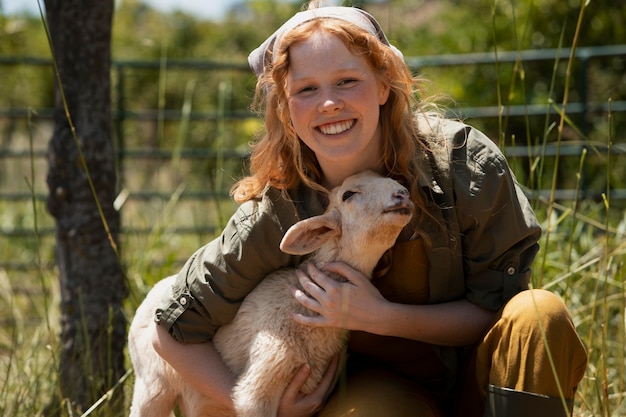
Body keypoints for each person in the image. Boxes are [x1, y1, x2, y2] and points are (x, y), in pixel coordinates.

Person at [150, 2, 588, 416]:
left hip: (483, 377)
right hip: (381, 394)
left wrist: (382, 317)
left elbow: (501, 312)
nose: (329, 103)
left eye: (347, 81)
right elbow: (171, 330)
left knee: (540, 315)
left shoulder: (463, 166)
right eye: (306, 89)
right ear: (285, 109)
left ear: (383, 84)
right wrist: (256, 404)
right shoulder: (281, 209)